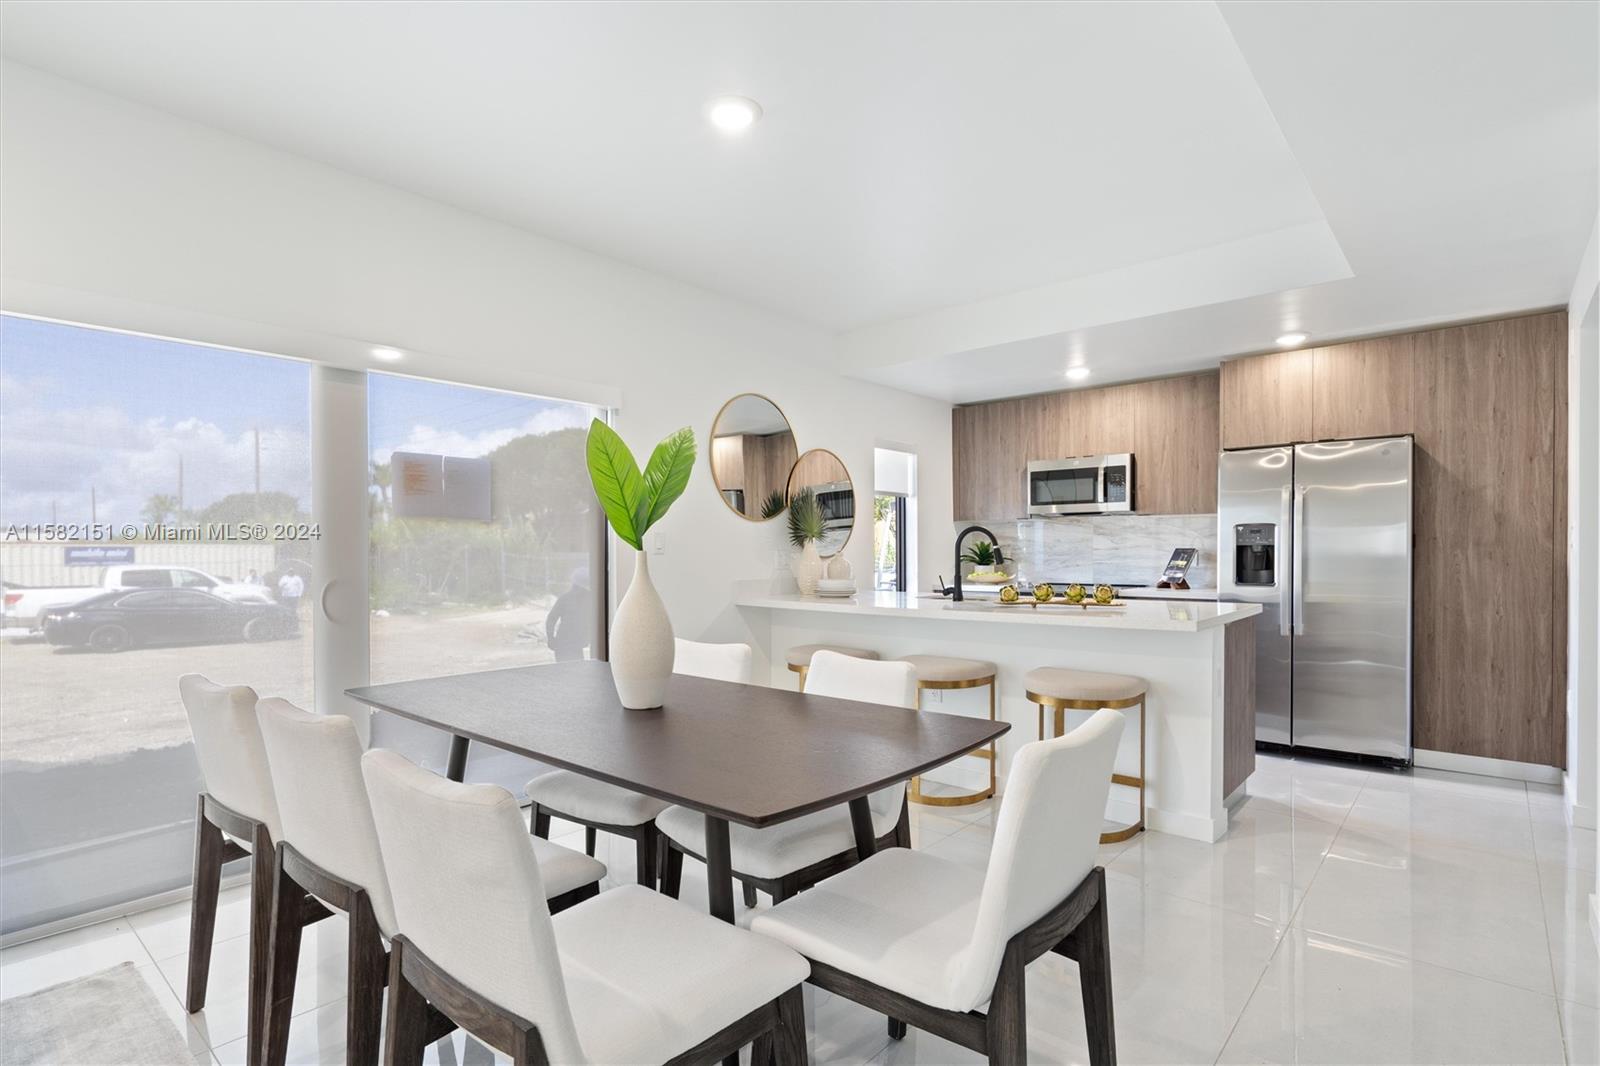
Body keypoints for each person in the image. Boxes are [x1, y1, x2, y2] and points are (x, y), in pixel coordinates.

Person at [545, 566, 592, 662]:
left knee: (573, 671)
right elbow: (551, 619)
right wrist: (550, 638)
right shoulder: (566, 599)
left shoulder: (587, 599)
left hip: (574, 644)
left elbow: (551, 619)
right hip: (564, 644)